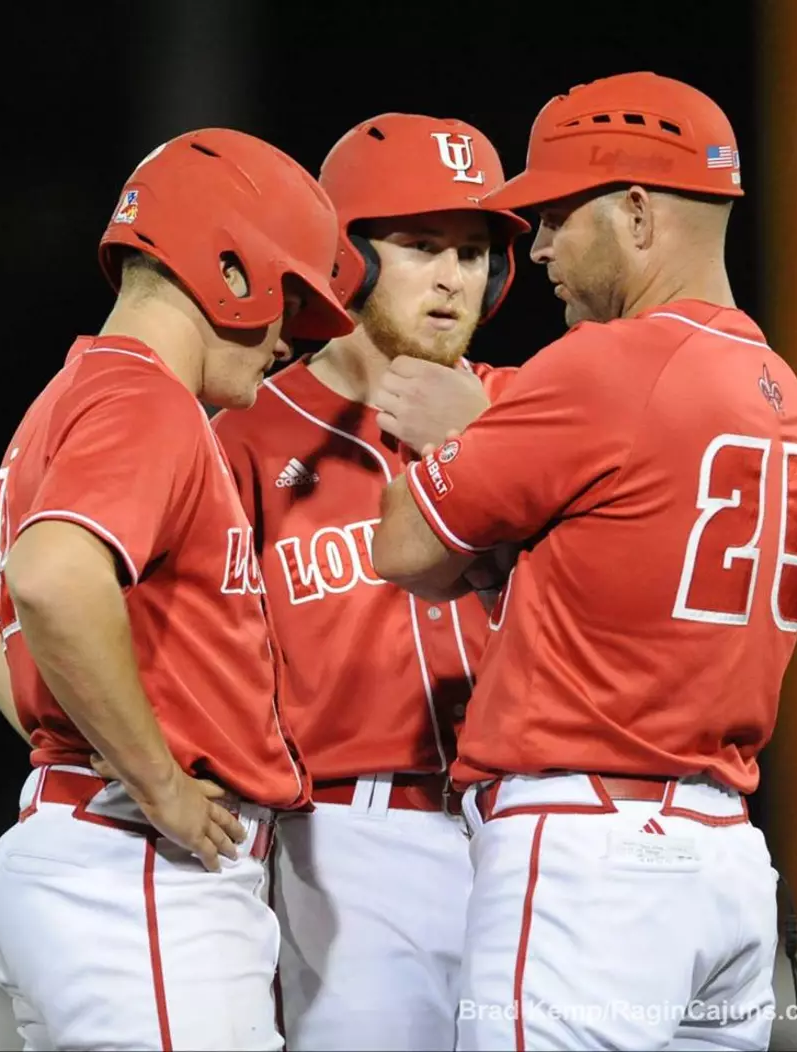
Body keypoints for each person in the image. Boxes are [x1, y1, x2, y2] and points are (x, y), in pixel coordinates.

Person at [372, 72, 797, 1052]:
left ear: (630, 209)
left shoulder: (604, 364)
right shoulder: (789, 396)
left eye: (550, 215)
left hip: (588, 855)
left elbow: (404, 548)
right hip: (724, 860)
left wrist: (467, 433)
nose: (532, 248)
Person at [0, 128, 355, 1052]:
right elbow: (51, 583)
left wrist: (95, 737)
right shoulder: (149, 401)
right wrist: (159, 783)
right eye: (291, 295)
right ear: (231, 266)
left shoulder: (69, 396)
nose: (291, 337)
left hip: (84, 848)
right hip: (138, 861)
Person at [211, 112, 529, 1051]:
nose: (452, 277)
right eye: (420, 245)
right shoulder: (248, 431)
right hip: (352, 841)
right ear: (344, 260)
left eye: (474, 252)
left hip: (531, 829)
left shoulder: (534, 411)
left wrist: (487, 450)